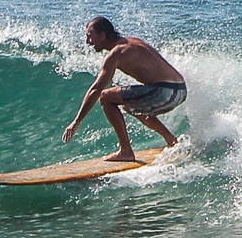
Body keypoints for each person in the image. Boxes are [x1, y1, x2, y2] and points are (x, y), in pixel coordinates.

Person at [61, 17, 186, 162]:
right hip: (180, 91)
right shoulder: (132, 41)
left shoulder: (116, 53)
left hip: (164, 92)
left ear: (103, 35)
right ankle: (172, 140)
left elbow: (96, 89)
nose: (88, 42)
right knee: (130, 104)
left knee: (105, 97)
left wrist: (76, 121)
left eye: (90, 36)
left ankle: (126, 151)